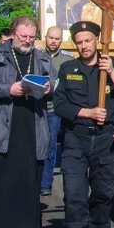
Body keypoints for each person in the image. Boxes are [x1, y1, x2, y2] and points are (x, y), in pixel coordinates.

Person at [53, 20, 114, 228]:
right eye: (79, 42)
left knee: (102, 194)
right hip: (76, 139)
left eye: (88, 41)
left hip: (105, 141)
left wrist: (112, 73)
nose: (84, 46)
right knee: (74, 195)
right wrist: (86, 112)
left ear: (97, 40)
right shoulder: (67, 69)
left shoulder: (112, 65)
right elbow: (60, 105)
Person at [0, 16, 53, 228]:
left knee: (28, 177)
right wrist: (9, 89)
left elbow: (54, 81)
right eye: (23, 36)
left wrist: (48, 89)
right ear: (13, 34)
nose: (27, 41)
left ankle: (26, 226)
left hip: (31, 124)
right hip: (2, 122)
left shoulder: (42, 58)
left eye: (31, 36)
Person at [40, 25, 73, 196]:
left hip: (54, 110)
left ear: (61, 40)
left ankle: (46, 182)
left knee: (51, 145)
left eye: (57, 38)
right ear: (46, 37)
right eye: (51, 38)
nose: (53, 41)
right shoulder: (36, 56)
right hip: (36, 108)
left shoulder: (67, 61)